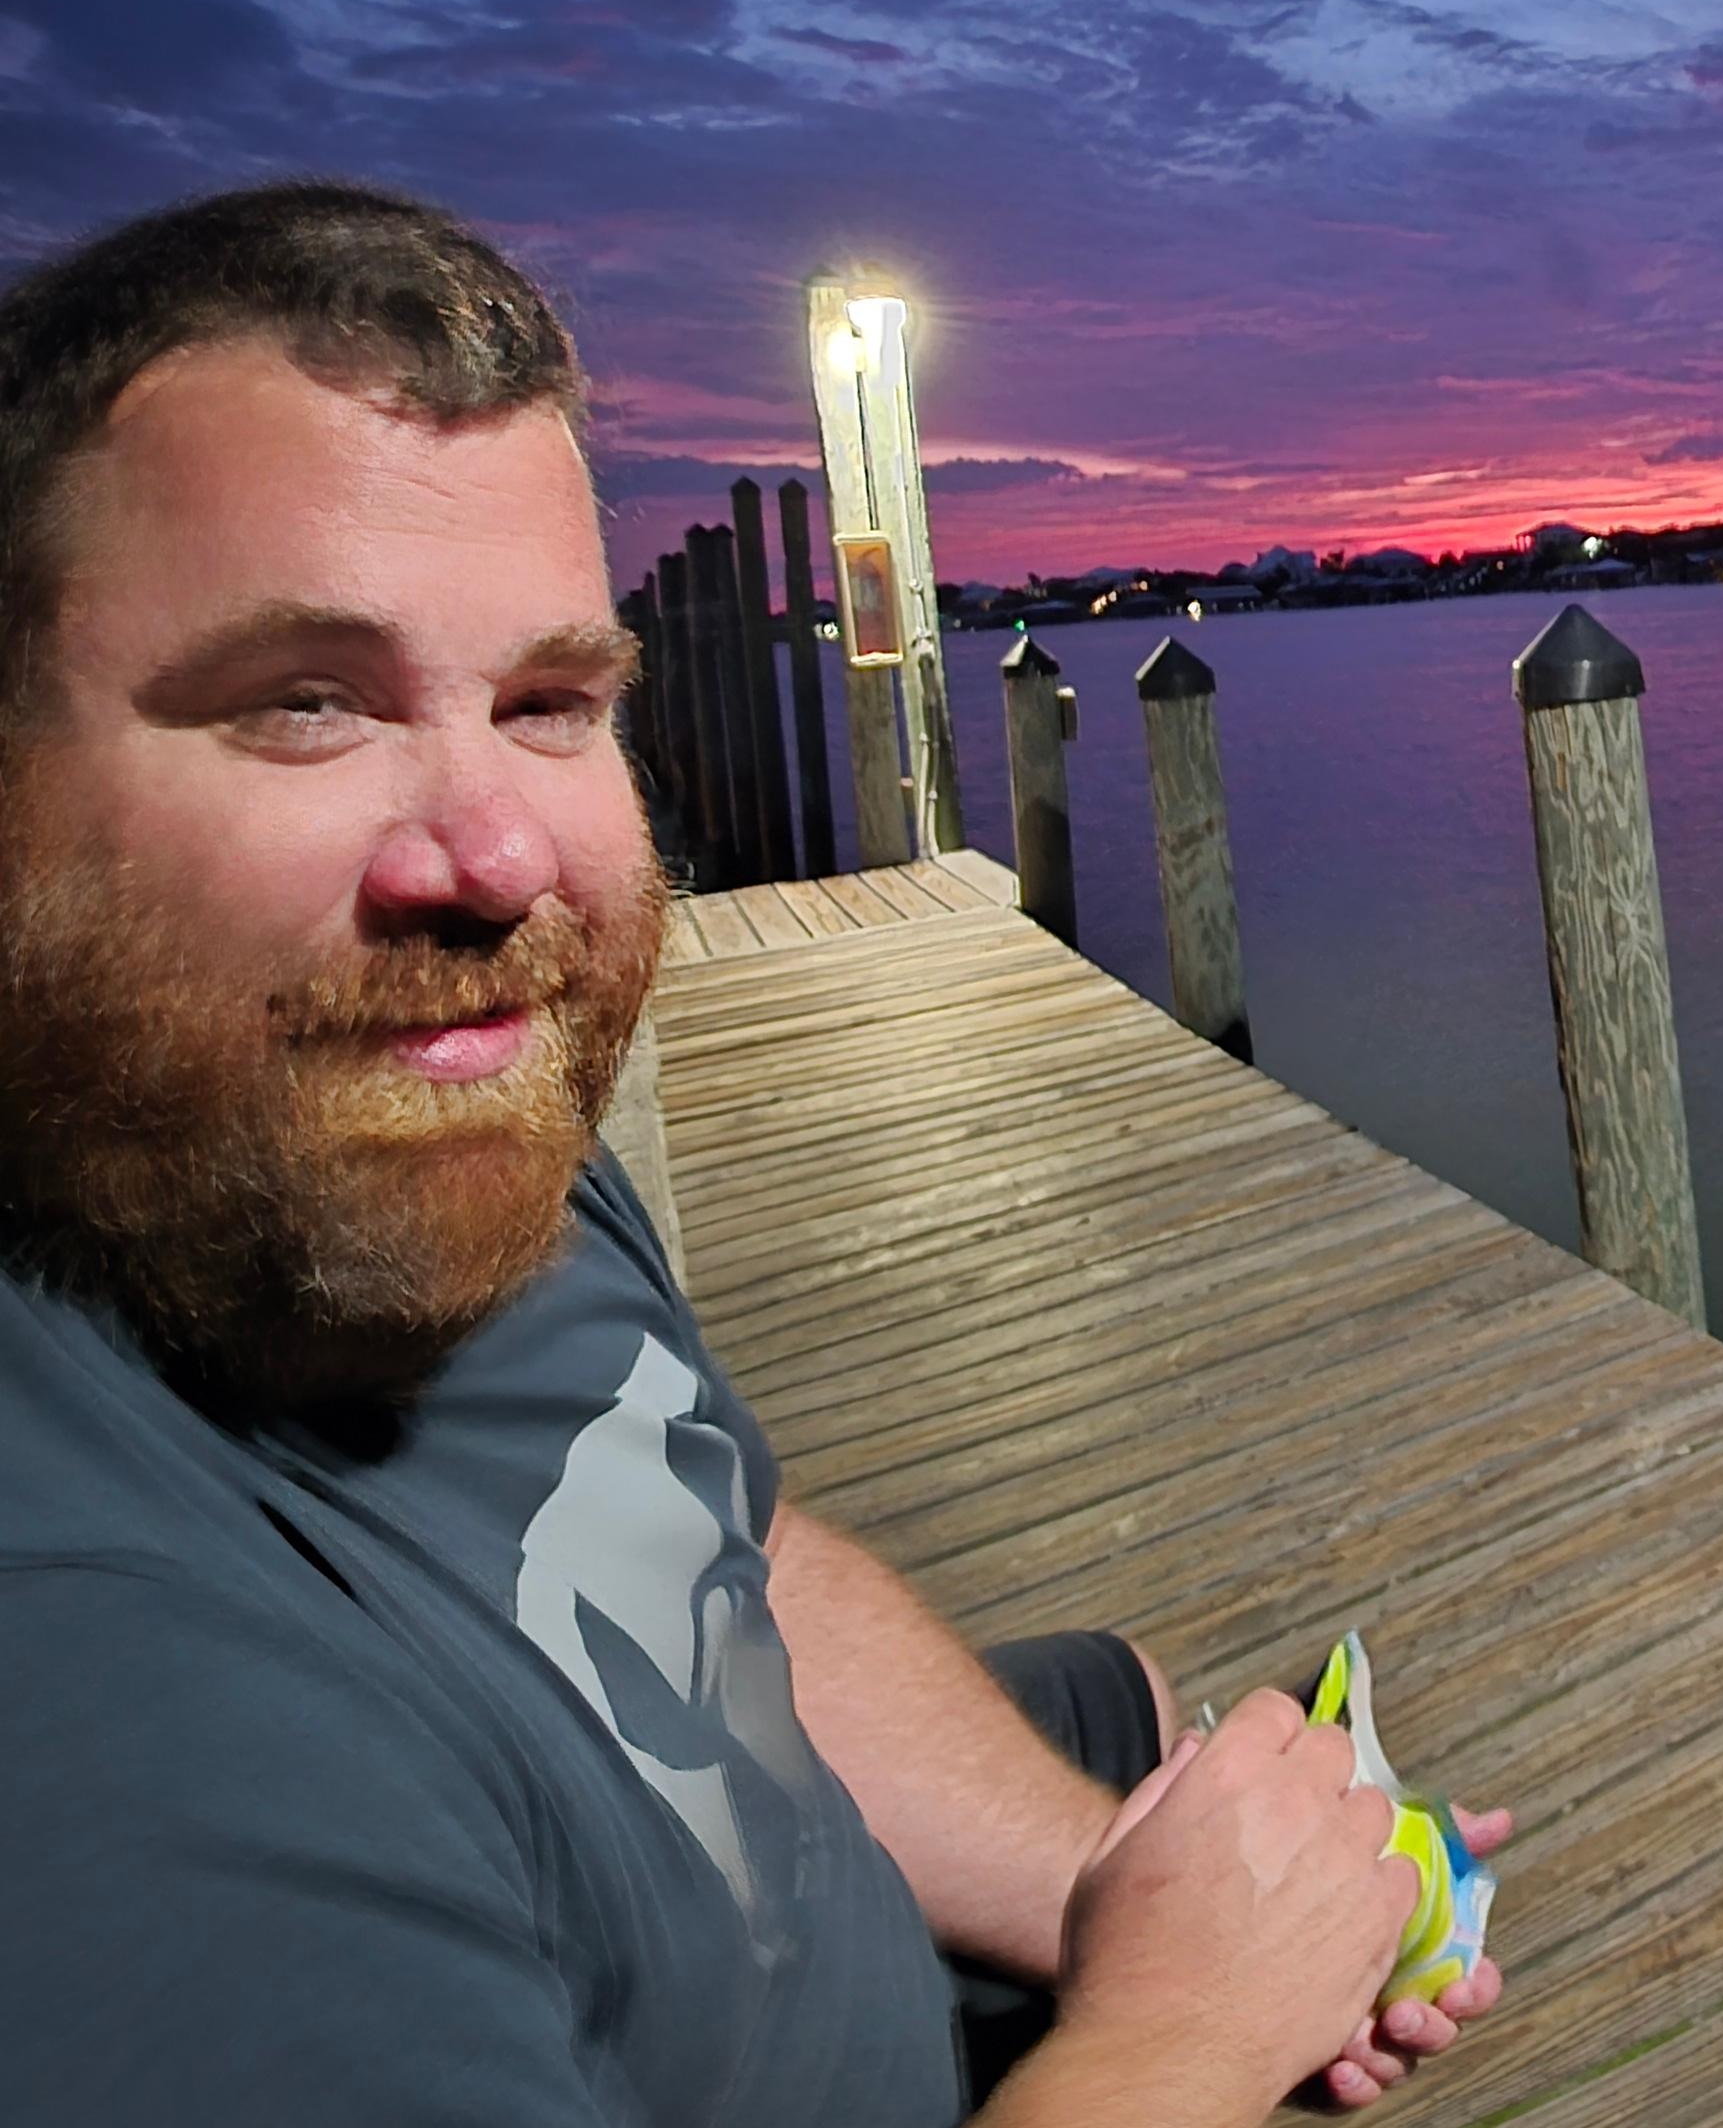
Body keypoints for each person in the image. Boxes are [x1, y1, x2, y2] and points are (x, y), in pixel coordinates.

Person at [0, 183, 1504, 2124]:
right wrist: (1180, 2030)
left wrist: (1105, 1895)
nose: (497, 855)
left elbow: (718, 1552)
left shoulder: (439, 1154)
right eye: (306, 703)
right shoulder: (102, 1706)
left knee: (1141, 1708)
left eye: (550, 702)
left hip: (831, 1940)